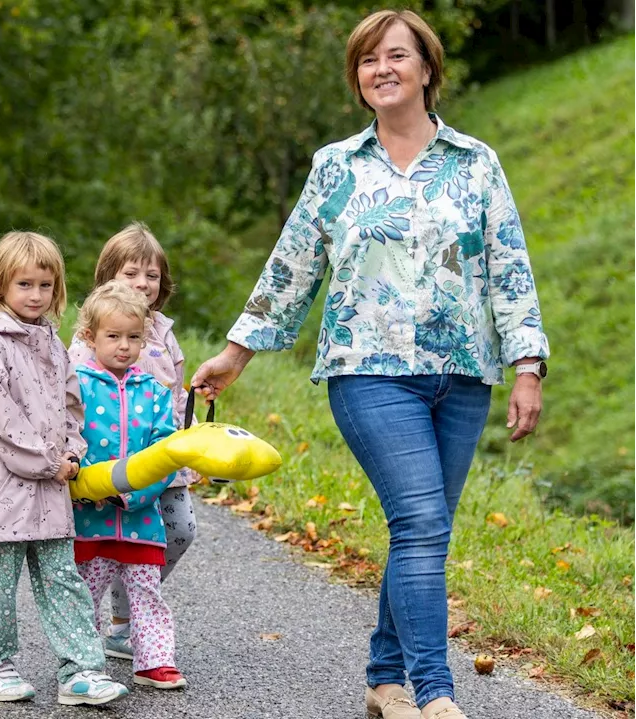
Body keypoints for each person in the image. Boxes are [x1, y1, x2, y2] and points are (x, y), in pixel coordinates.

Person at [190, 11, 549, 719]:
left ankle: (385, 680)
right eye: (366, 61)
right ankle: (435, 693)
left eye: (395, 56)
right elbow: (293, 265)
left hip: (464, 374)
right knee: (419, 521)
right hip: (368, 371)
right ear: (358, 79)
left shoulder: (475, 162)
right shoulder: (338, 166)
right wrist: (237, 351)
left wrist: (527, 364)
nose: (380, 69)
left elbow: (510, 265)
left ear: (426, 68)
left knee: (424, 528)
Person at [0, 231, 129, 707]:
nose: (35, 296)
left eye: (45, 286)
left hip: (51, 489)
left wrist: (71, 451)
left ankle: (81, 670)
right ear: (0, 286)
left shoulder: (52, 342)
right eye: (24, 285)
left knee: (62, 580)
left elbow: (71, 405)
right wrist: (49, 463)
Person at [67, 222, 198, 660]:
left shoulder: (163, 329)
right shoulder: (89, 336)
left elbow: (176, 393)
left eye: (153, 274)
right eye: (131, 273)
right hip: (107, 466)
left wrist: (187, 441)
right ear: (108, 276)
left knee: (180, 529)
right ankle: (97, 633)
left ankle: (125, 618)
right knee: (95, 555)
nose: (143, 282)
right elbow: (73, 401)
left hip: (162, 458)